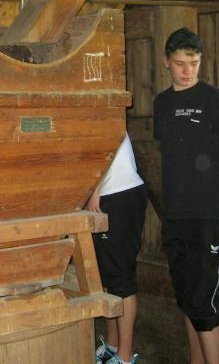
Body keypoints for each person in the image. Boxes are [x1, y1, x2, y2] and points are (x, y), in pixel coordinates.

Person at [153, 28, 219, 364]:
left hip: (210, 215)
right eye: (180, 63)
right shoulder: (162, 103)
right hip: (176, 215)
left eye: (193, 63)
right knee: (186, 297)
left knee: (204, 301)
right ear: (166, 62)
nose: (187, 70)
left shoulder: (213, 99)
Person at [86, 132, 147, 364]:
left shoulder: (99, 110)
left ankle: (125, 357)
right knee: (108, 276)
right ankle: (112, 347)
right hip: (108, 193)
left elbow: (108, 141)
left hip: (119, 193)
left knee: (121, 278)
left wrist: (95, 191)